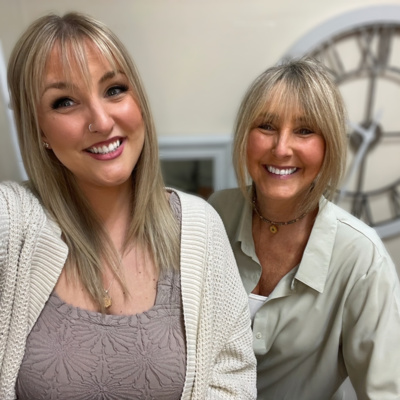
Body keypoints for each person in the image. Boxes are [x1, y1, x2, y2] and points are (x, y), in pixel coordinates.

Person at [0, 12, 257, 400]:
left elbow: (232, 381)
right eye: (65, 102)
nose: (101, 121)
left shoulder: (200, 227)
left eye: (114, 90)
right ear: (39, 131)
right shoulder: (12, 219)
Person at [209, 58, 400, 399]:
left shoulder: (363, 258)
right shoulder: (212, 215)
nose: (281, 148)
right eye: (266, 126)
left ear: (329, 145)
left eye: (304, 130)